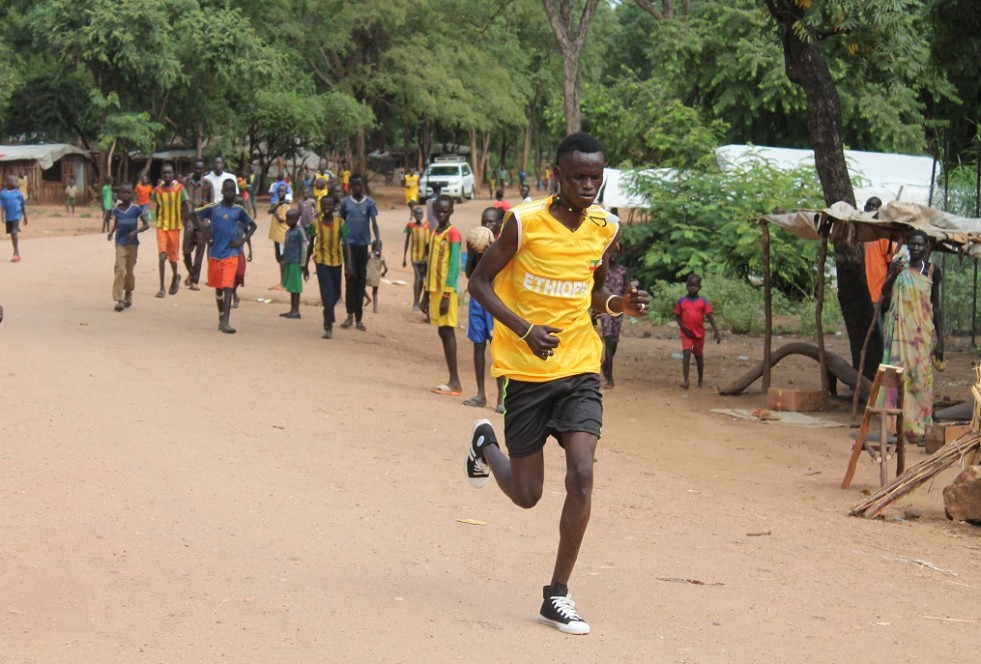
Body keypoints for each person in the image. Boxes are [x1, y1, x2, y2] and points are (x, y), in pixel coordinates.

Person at [464, 132, 650, 635]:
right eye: (578, 177)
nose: (589, 185)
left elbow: (594, 296)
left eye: (597, 176)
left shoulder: (604, 228)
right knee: (527, 496)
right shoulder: (524, 222)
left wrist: (620, 306)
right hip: (525, 373)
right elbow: (478, 284)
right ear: (557, 176)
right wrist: (524, 329)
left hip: (579, 368)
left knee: (583, 474)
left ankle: (557, 595)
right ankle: (486, 446)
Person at [880, 229, 944, 445]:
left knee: (921, 380)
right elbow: (884, 294)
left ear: (926, 246)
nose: (916, 248)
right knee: (899, 380)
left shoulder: (933, 271)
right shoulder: (900, 267)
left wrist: (941, 341)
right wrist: (892, 275)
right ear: (908, 245)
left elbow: (937, 307)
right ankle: (899, 427)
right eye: (913, 244)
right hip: (900, 337)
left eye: (920, 245)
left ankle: (921, 425)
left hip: (921, 337)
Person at [194, 179, 256, 334]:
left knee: (228, 287)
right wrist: (206, 232)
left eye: (232, 190)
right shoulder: (214, 208)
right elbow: (193, 214)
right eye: (227, 190)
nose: (230, 193)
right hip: (215, 255)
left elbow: (252, 226)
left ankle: (226, 323)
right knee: (218, 289)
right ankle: (221, 317)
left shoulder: (238, 210)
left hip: (231, 254)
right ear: (222, 192)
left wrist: (242, 241)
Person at [463, 207, 505, 411]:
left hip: (495, 301)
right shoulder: (476, 243)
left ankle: (501, 398)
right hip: (477, 302)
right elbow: (470, 276)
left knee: (498, 349)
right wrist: (471, 254)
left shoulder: (502, 245)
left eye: (491, 222)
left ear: (499, 224)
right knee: (478, 346)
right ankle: (480, 394)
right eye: (484, 221)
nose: (487, 226)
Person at [421, 195, 463, 396]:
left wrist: (447, 294)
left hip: (446, 292)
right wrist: (425, 294)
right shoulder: (434, 232)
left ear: (451, 211)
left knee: (447, 331)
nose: (441, 214)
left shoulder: (453, 234)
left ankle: (455, 381)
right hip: (434, 290)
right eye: (438, 210)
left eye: (445, 211)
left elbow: (454, 266)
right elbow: (430, 265)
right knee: (442, 331)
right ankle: (452, 379)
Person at [338, 173, 380, 331]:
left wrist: (378, 240)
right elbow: (341, 224)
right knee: (350, 279)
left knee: (361, 281)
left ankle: (359, 318)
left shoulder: (369, 203)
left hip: (363, 246)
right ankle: (349, 315)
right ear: (350, 185)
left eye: (359, 185)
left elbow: (374, 223)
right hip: (348, 246)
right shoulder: (345, 203)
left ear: (363, 185)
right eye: (354, 185)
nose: (357, 187)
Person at [305, 194, 348, 339]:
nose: (327, 208)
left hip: (337, 262)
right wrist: (305, 265)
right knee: (327, 293)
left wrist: (350, 264)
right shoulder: (315, 223)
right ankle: (328, 325)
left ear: (334, 206)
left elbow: (346, 244)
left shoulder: (341, 223)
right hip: (321, 262)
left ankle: (327, 312)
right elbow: (310, 243)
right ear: (321, 207)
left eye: (329, 205)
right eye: (324, 205)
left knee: (336, 294)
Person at [106, 183, 150, 311]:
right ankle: (118, 299)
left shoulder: (136, 209)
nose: (126, 195)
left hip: (133, 244)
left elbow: (146, 225)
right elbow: (116, 223)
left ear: (132, 194)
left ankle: (128, 293)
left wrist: (135, 232)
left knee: (129, 271)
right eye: (123, 193)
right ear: (119, 194)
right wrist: (111, 232)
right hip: (120, 243)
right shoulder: (116, 210)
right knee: (120, 269)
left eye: (128, 193)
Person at [675, 273, 721, 389]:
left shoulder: (703, 302)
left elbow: (710, 316)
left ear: (700, 287)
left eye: (695, 286)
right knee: (686, 354)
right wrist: (684, 329)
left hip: (699, 334)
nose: (692, 288)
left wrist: (716, 330)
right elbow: (677, 316)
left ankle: (700, 379)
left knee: (698, 356)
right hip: (686, 333)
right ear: (686, 286)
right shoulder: (681, 301)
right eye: (690, 285)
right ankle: (686, 380)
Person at [151, 163, 187, 298]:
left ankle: (175, 276)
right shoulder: (157, 191)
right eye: (164, 173)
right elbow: (157, 207)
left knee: (173, 259)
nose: (167, 175)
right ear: (161, 175)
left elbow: (186, 205)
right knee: (161, 256)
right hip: (161, 226)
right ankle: (161, 288)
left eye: (169, 173)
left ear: (173, 174)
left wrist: (185, 220)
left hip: (175, 227)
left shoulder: (180, 189)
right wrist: (156, 220)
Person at [597, 245, 628, 389]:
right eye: (611, 252)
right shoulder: (602, 269)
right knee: (608, 340)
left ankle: (605, 365)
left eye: (616, 252)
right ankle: (610, 378)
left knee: (614, 343)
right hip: (605, 310)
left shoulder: (623, 271)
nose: (613, 255)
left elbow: (627, 289)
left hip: (619, 311)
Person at [182, 160, 210, 290]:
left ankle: (194, 281)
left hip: (202, 222)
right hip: (188, 220)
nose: (198, 171)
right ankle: (192, 272)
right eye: (196, 169)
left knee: (200, 252)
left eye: (201, 169)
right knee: (186, 252)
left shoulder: (207, 185)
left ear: (203, 170)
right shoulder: (185, 182)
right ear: (193, 169)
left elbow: (211, 203)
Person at [279, 209, 305, 319]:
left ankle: (296, 311)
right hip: (288, 261)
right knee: (291, 286)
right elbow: (286, 246)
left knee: (295, 287)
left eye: (291, 219)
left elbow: (304, 246)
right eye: (287, 218)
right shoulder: (288, 231)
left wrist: (303, 262)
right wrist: (283, 258)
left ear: (297, 219)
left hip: (296, 261)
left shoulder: (299, 231)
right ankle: (292, 309)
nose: (289, 221)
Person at [402, 206, 429, 311]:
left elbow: (428, 243)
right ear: (413, 215)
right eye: (416, 214)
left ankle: (419, 301)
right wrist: (404, 258)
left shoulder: (426, 226)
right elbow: (406, 242)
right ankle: (415, 302)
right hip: (414, 256)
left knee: (422, 279)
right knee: (417, 277)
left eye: (420, 214)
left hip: (424, 256)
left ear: (423, 215)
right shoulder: (410, 226)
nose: (418, 216)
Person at [230, 194, 253, 309]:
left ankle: (234, 295)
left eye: (241, 204)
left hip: (240, 251)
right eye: (237, 204)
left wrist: (250, 251)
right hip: (230, 252)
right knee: (232, 276)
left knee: (240, 274)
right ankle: (234, 297)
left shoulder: (244, 220)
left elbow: (247, 234)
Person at [268, 184, 292, 289]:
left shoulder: (285, 205)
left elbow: (282, 219)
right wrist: (277, 204)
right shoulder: (278, 203)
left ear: (286, 193)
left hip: (282, 235)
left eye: (282, 191)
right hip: (276, 235)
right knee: (278, 258)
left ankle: (283, 282)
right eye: (279, 191)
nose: (280, 193)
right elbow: (269, 211)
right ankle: (283, 281)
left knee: (282, 258)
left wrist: (275, 212)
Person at [0, 174, 28, 262]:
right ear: (7, 182)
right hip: (9, 216)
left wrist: (25, 217)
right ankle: (15, 252)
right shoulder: (3, 193)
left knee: (14, 232)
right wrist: (2, 215)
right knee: (12, 234)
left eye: (16, 181)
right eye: (14, 181)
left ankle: (16, 253)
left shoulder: (18, 193)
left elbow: (22, 205)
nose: (16, 183)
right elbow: (2, 206)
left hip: (17, 215)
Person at [363, 240, 388, 314]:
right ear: (381, 248)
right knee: (375, 292)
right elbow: (386, 269)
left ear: (372, 247)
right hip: (376, 277)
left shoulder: (369, 255)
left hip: (367, 275)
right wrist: (383, 273)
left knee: (361, 288)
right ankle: (375, 308)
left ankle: (368, 298)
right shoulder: (382, 258)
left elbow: (364, 263)